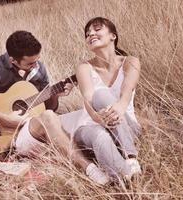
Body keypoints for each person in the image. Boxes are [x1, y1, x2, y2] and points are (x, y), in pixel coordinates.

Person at [0, 30, 109, 185]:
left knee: (84, 115)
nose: (36, 65)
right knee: (50, 117)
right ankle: (89, 169)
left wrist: (55, 95)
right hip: (9, 138)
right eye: (30, 63)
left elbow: (47, 107)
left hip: (32, 129)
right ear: (13, 61)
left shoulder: (38, 69)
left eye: (37, 60)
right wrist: (6, 120)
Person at [60, 17, 142, 182]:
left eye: (97, 29)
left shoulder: (130, 62)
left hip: (126, 126)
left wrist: (119, 107)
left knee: (102, 95)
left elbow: (126, 91)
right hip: (92, 125)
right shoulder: (84, 67)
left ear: (113, 35)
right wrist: (98, 118)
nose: (91, 34)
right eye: (87, 33)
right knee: (100, 131)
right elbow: (88, 99)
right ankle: (126, 176)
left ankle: (130, 157)